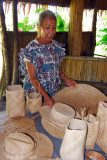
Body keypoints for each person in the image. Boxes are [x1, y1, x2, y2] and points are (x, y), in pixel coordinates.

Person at [19, 10, 77, 108]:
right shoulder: (31, 49)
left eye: (54, 27)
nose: (51, 31)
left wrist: (66, 79)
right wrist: (46, 97)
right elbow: (33, 78)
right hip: (36, 95)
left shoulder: (55, 46)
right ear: (39, 27)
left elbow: (56, 67)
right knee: (34, 120)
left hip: (51, 92)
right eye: (47, 27)